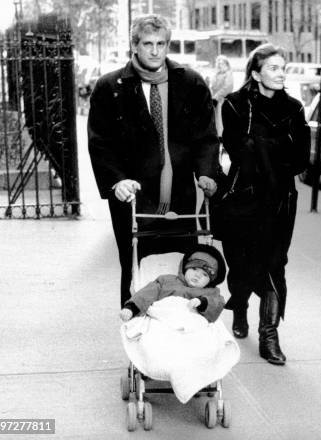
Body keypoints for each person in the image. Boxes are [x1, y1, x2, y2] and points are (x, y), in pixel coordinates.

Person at [88, 14, 219, 308]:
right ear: (134, 45)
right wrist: (116, 181)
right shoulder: (111, 87)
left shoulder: (191, 82)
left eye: (161, 43)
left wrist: (208, 173)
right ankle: (135, 332)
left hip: (181, 197)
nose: (155, 50)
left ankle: (181, 336)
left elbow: (206, 137)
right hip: (134, 198)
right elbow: (100, 143)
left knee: (185, 271)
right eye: (148, 43)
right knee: (135, 268)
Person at [220, 43, 310, 365]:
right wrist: (276, 147)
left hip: (280, 201)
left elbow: (301, 158)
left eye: (283, 68)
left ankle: (269, 336)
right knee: (241, 264)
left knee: (274, 264)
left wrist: (262, 147)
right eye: (273, 68)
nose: (280, 73)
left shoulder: (295, 108)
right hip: (243, 199)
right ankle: (240, 306)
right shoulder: (234, 105)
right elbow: (239, 151)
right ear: (256, 73)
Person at [120, 244, 226, 323]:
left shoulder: (211, 292)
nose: (197, 275)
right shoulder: (166, 281)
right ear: (185, 268)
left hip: (191, 322)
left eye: (204, 274)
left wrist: (203, 302)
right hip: (163, 320)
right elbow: (147, 293)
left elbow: (217, 304)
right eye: (194, 269)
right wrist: (131, 308)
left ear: (210, 281)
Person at [210, 55, 235, 136]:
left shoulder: (228, 74)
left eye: (222, 63)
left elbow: (227, 87)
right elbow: (212, 86)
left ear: (226, 64)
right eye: (218, 63)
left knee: (221, 120)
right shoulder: (216, 73)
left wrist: (216, 96)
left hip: (222, 100)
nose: (219, 65)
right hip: (214, 100)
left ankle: (222, 137)